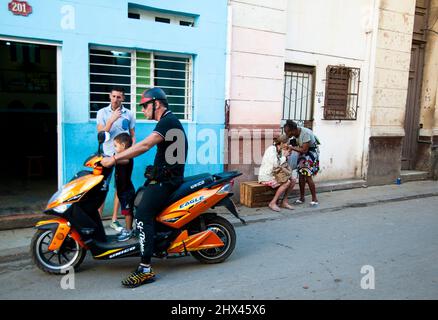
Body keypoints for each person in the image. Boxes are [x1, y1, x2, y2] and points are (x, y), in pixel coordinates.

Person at [101, 87, 188, 288]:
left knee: (142, 215)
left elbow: (144, 146)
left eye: (145, 106)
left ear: (156, 104)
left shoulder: (167, 121)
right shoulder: (167, 121)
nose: (142, 110)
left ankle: (145, 269)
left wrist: (114, 158)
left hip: (167, 181)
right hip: (162, 177)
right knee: (138, 199)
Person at [96, 87, 136, 232]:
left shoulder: (129, 114)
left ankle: (114, 219)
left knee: (121, 188)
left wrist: (131, 150)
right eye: (113, 96)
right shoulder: (102, 113)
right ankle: (98, 219)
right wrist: (112, 120)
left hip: (123, 156)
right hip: (107, 156)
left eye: (119, 97)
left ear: (123, 98)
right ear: (109, 96)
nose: (116, 99)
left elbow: (132, 134)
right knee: (102, 188)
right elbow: (101, 133)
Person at [283, 120, 320, 206]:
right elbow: (296, 144)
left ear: (293, 130)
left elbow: (304, 149)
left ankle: (314, 199)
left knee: (307, 176)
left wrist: (291, 148)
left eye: (287, 132)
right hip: (303, 154)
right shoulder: (296, 134)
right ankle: (302, 198)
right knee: (301, 175)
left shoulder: (305, 133)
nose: (286, 134)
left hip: (310, 154)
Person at [258, 134, 296, 212]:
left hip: (276, 174)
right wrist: (285, 157)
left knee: (294, 179)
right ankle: (273, 202)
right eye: (286, 143)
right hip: (266, 176)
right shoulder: (271, 149)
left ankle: (284, 201)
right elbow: (275, 164)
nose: (287, 145)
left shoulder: (280, 150)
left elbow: (282, 165)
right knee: (287, 182)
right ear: (281, 143)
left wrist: (286, 156)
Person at [113, 133, 135, 242]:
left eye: (116, 146)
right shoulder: (119, 156)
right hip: (122, 190)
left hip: (127, 190)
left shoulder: (127, 157)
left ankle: (129, 230)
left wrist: (113, 159)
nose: (115, 148)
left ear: (123, 146)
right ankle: (128, 229)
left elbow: (124, 161)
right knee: (125, 210)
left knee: (127, 211)